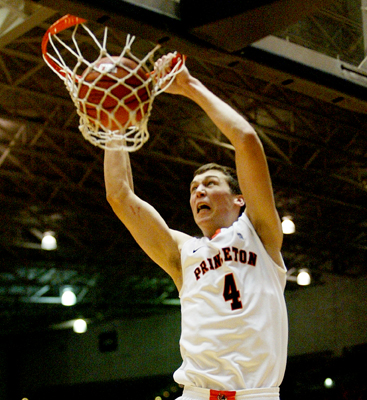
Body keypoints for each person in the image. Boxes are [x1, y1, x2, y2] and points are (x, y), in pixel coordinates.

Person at [104, 54, 288, 400]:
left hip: (256, 395)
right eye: (193, 188)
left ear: (239, 199)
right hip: (195, 395)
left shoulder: (259, 234)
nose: (199, 190)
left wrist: (190, 87)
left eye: (210, 182)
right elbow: (120, 196)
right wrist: (115, 122)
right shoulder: (182, 252)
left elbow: (246, 140)